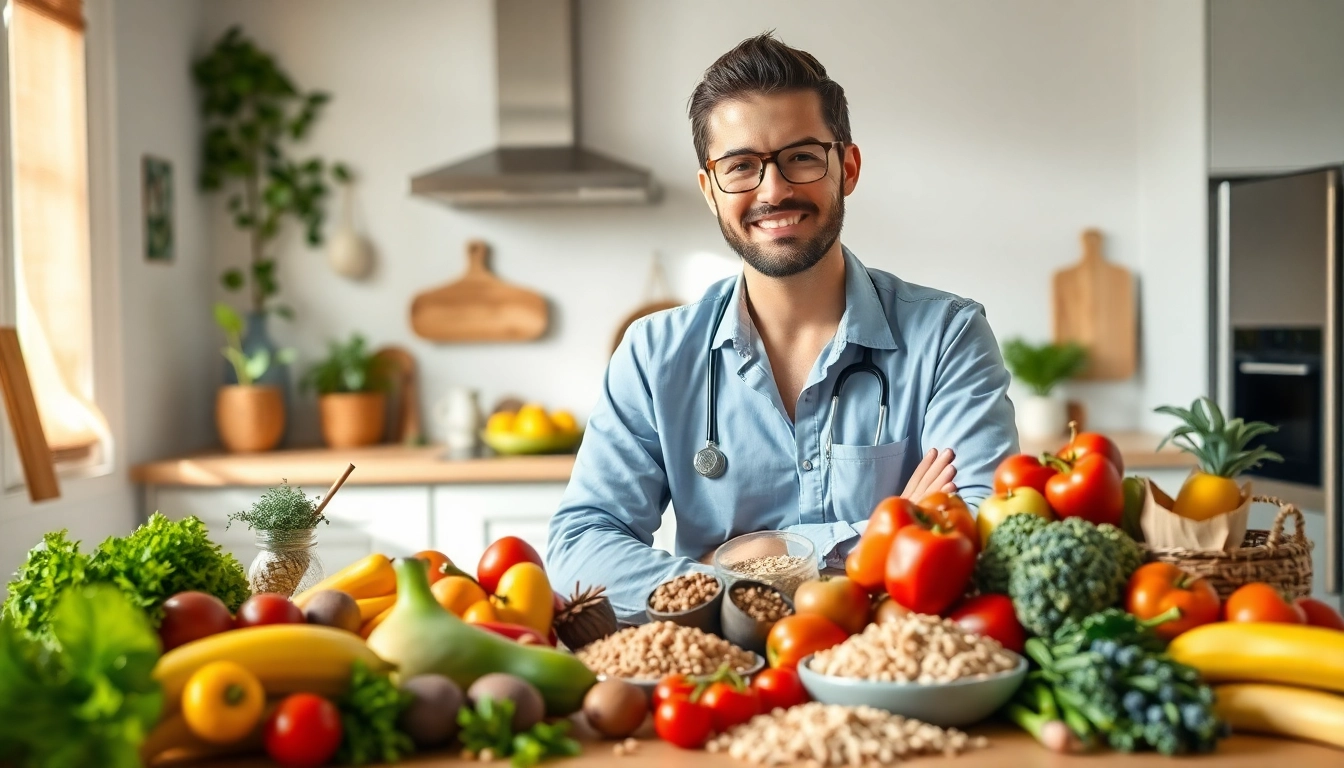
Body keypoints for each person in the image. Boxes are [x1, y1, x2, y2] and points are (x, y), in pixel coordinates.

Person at [547, 33, 1017, 621]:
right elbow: (577, 550)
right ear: (709, 190)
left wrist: (758, 556)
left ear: (846, 167)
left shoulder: (948, 337)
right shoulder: (652, 355)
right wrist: (873, 538)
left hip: (896, 671)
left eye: (800, 157)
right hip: (712, 685)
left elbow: (986, 536)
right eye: (741, 166)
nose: (773, 190)